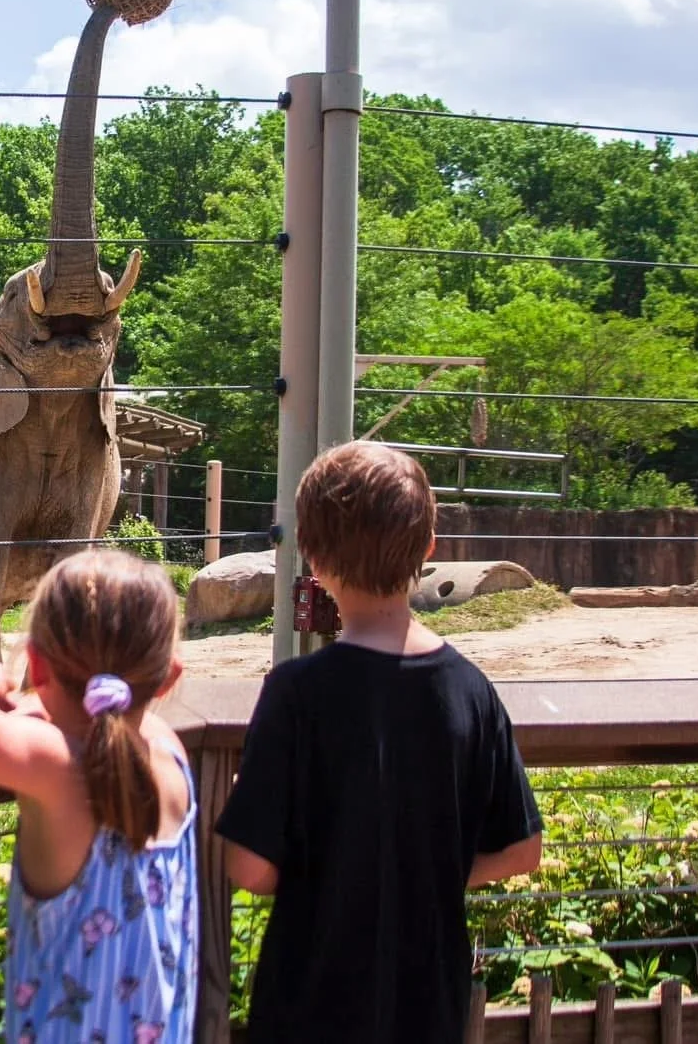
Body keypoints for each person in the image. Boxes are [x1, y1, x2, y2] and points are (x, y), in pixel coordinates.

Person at [216, 441, 543, 1041]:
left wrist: (343, 869)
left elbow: (251, 867)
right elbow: (522, 851)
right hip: (428, 1007)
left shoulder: (296, 693)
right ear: (429, 549)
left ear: (311, 556)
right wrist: (419, 868)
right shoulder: (472, 690)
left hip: (308, 1007)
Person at [0, 549, 197, 1044]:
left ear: (36, 667)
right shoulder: (170, 751)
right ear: (168, 678)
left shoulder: (57, 767)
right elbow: (94, 720)